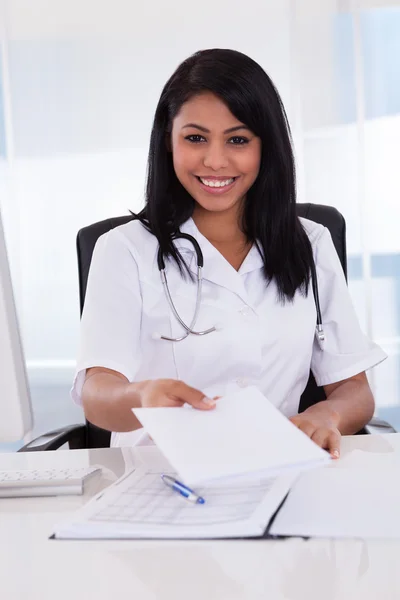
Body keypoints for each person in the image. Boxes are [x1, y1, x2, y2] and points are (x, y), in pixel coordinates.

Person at [72, 48, 386, 458]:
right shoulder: (124, 249)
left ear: (265, 147)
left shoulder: (310, 242)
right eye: (195, 138)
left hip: (279, 471)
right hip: (161, 477)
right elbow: (98, 392)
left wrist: (329, 415)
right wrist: (141, 395)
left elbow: (353, 389)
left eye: (238, 139)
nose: (215, 161)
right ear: (169, 140)